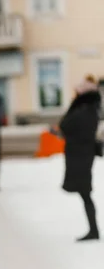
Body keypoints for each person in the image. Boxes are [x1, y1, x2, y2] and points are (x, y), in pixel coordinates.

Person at [59, 75, 101, 241]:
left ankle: (94, 230)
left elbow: (65, 125)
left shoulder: (85, 110)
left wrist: (74, 105)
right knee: (85, 193)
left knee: (85, 193)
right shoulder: (89, 108)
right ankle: (93, 230)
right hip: (81, 153)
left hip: (81, 154)